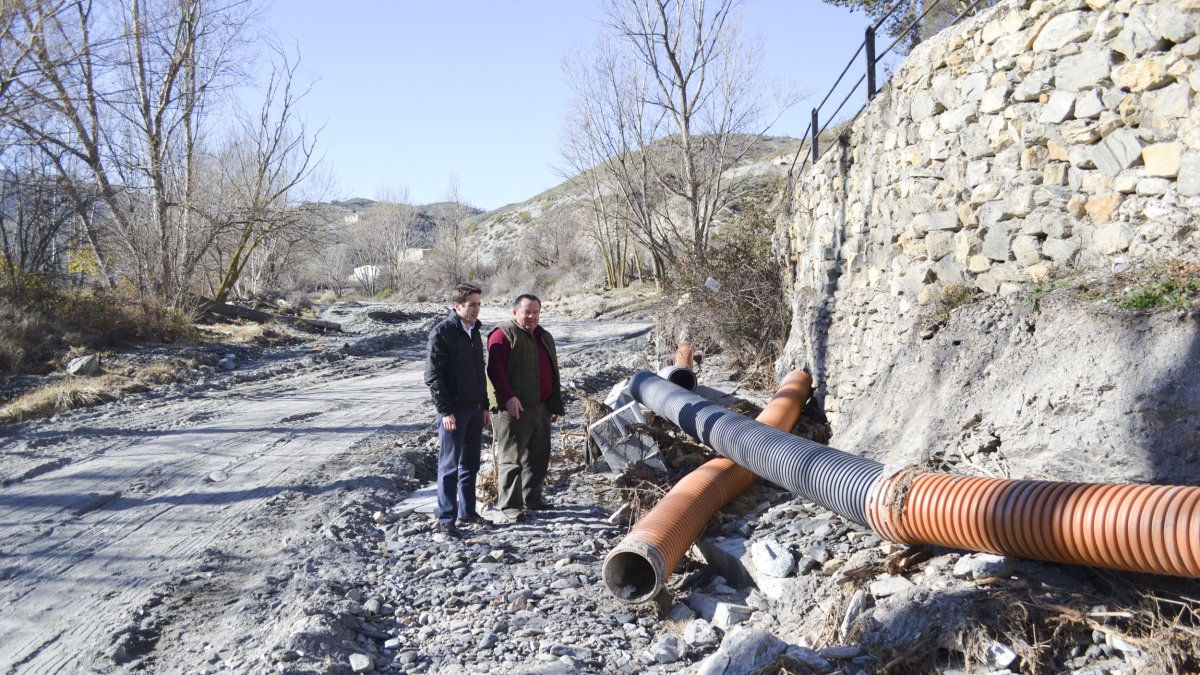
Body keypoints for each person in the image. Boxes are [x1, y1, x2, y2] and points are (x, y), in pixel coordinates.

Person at [486, 294, 565, 520]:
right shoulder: (503, 335)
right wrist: (509, 397)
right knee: (512, 458)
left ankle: (532, 499)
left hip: (541, 407)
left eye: (535, 312)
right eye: (526, 312)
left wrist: (554, 405)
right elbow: (494, 371)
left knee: (539, 457)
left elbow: (552, 372)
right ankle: (511, 506)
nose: (531, 316)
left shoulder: (544, 336)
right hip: (513, 409)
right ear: (515, 312)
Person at [424, 283, 491, 536]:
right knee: (449, 467)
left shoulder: (475, 331)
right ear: (457, 305)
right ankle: (447, 519)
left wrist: (484, 406)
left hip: (475, 409)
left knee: (470, 465)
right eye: (472, 304)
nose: (476, 309)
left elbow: (480, 372)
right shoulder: (442, 333)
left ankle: (468, 512)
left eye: (479, 304)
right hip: (454, 411)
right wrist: (445, 411)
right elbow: (433, 376)